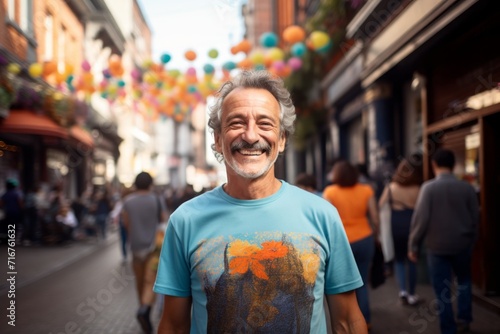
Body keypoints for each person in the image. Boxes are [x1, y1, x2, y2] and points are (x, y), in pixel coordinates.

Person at [154, 71, 367, 333]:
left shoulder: (322, 214)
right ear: (218, 140)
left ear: (282, 140)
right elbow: (173, 326)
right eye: (236, 123)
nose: (251, 136)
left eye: (265, 124)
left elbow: (346, 320)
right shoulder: (185, 221)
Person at [408, 149, 479, 334]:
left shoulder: (428, 188)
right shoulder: (467, 187)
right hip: (462, 244)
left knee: (442, 289)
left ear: (434, 165)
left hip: (437, 246)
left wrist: (413, 245)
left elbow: (420, 220)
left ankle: (448, 328)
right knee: (464, 280)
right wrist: (472, 241)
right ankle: (464, 318)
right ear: (453, 165)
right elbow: (475, 217)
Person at [322, 160, 379, 329]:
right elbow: (375, 217)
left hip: (340, 242)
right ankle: (366, 321)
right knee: (362, 281)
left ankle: (346, 323)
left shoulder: (330, 192)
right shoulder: (366, 190)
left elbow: (328, 220)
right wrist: (378, 236)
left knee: (344, 285)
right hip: (364, 238)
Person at [122, 171, 167, 334]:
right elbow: (163, 219)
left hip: (135, 247)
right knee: (150, 281)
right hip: (153, 248)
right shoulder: (156, 199)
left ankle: (142, 307)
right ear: (150, 184)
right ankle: (145, 309)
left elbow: (126, 223)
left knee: (139, 281)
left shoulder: (127, 201)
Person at [378, 156, 423, 306]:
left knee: (398, 259)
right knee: (412, 258)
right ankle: (412, 294)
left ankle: (402, 291)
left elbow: (381, 204)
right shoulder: (418, 188)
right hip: (413, 223)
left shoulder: (391, 187)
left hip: (396, 223)